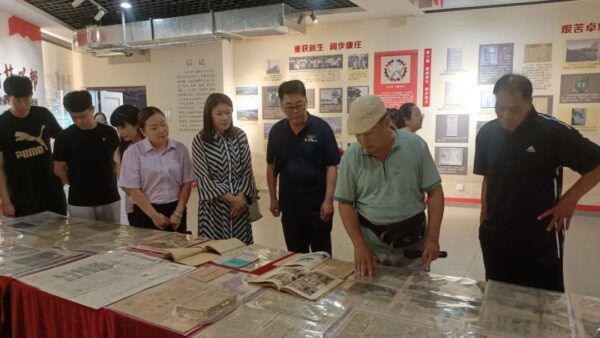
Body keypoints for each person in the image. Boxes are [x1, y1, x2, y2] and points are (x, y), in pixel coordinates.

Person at [474, 74, 600, 292]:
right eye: (500, 107)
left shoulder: (552, 132)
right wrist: (484, 219)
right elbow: (489, 177)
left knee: (545, 303)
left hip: (540, 236)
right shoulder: (487, 133)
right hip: (496, 236)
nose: (506, 116)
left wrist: (570, 199)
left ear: (529, 103)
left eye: (515, 109)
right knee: (498, 297)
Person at [335, 95, 444, 277]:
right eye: (358, 135)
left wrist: (433, 238)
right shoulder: (352, 156)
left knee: (413, 297)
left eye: (368, 133)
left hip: (413, 245)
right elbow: (345, 204)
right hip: (371, 250)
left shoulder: (415, 146)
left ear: (386, 122)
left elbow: (435, 192)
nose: (363, 141)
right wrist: (359, 245)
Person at [267, 80, 340, 255]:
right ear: (281, 106)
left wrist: (328, 200)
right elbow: (271, 167)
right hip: (290, 207)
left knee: (321, 256)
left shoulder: (321, 128)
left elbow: (331, 166)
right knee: (295, 256)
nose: (295, 111)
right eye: (288, 107)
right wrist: (273, 198)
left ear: (306, 101)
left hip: (318, 207)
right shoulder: (277, 131)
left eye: (299, 105)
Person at [192, 93, 257, 245]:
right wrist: (232, 199)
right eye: (219, 114)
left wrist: (240, 199)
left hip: (239, 208)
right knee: (215, 253)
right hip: (214, 208)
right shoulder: (200, 140)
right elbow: (203, 178)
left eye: (228, 112)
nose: (224, 118)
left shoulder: (240, 136)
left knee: (241, 252)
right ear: (210, 115)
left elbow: (247, 172)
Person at [118, 106, 194, 232]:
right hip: (146, 210)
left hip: (175, 210)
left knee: (177, 249)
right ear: (143, 131)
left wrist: (179, 212)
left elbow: (186, 183)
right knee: (148, 250)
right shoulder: (133, 152)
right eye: (154, 128)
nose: (162, 130)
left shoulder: (180, 149)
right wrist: (154, 216)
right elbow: (133, 189)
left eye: (163, 124)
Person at [0, 76, 66, 217]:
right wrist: (5, 201)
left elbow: (63, 140)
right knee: (28, 237)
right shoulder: (2, 124)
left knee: (59, 234)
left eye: (27, 99)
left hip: (51, 189)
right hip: (21, 194)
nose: (24, 105)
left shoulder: (43, 114)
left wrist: (64, 174)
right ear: (7, 98)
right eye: (17, 100)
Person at [54, 91, 121, 223]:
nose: (79, 121)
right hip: (79, 199)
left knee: (112, 238)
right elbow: (59, 169)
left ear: (92, 109)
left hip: (109, 195)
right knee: (83, 240)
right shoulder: (64, 137)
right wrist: (76, 183)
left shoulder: (109, 132)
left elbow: (117, 162)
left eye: (83, 116)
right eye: (74, 117)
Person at [110, 104, 144, 225]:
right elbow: (123, 182)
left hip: (160, 202)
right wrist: (143, 200)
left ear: (137, 124)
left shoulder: (152, 145)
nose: (120, 132)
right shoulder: (121, 150)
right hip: (134, 205)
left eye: (123, 127)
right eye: (117, 128)